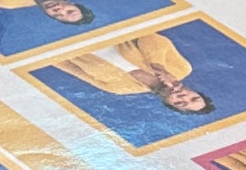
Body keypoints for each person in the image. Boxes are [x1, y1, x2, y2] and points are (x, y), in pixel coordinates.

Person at [62, 26, 210, 116]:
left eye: (180, 103)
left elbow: (70, 67)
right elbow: (150, 37)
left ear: (168, 103)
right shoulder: (181, 68)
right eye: (193, 98)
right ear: (195, 91)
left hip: (64, 40)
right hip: (99, 28)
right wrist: (159, 67)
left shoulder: (119, 89)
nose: (183, 97)